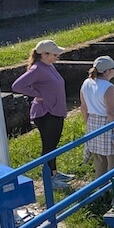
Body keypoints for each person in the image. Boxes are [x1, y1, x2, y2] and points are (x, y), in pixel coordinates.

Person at [11, 39, 73, 189]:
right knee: (49, 146)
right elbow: (17, 86)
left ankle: (54, 172)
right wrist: (37, 94)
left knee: (53, 144)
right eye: (54, 54)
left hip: (54, 111)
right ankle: (49, 180)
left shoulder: (49, 66)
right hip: (46, 113)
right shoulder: (37, 69)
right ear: (44, 54)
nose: (57, 56)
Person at [80, 56, 114, 178]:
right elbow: (111, 113)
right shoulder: (108, 87)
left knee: (100, 162)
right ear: (107, 71)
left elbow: (84, 107)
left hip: (93, 124)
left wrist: (88, 126)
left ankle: (101, 191)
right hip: (110, 125)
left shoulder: (86, 83)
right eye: (113, 69)